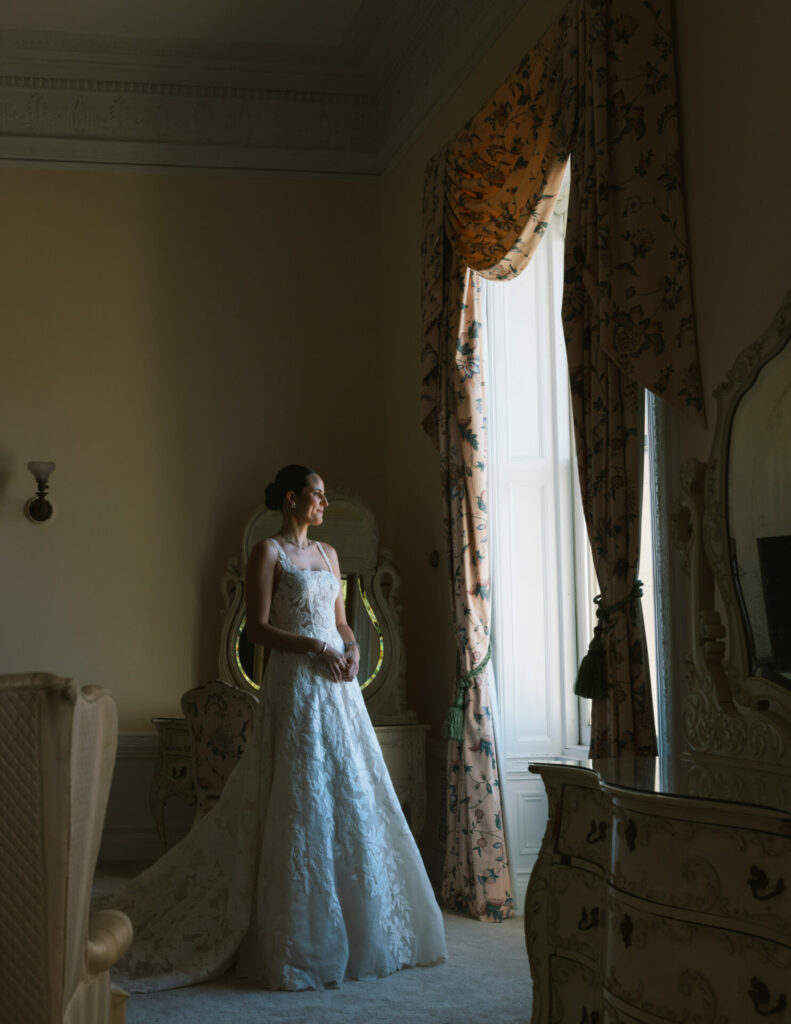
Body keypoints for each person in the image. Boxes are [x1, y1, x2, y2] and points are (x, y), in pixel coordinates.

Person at [101, 464, 447, 992]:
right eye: (317, 494)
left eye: (325, 496)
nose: (324, 503)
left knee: (349, 788)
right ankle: (294, 931)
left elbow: (342, 620)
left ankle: (362, 925)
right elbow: (258, 629)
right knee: (297, 788)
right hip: (295, 684)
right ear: (291, 499)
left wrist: (352, 648)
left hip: (337, 689)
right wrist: (315, 646)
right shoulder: (267, 552)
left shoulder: (329, 554)